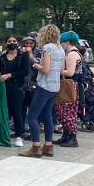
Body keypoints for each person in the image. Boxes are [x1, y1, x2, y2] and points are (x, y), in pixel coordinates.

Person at [21, 24, 64, 158]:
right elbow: (61, 69)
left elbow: (45, 69)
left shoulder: (47, 48)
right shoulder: (60, 49)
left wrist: (35, 64)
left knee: (32, 116)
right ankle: (48, 146)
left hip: (44, 85)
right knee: (47, 116)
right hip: (55, 86)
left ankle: (36, 147)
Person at [0, 35, 31, 148]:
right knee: (5, 112)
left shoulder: (23, 56)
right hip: (4, 88)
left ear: (18, 42)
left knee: (17, 112)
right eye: (9, 41)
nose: (12, 42)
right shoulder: (2, 56)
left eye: (14, 41)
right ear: (6, 43)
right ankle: (5, 134)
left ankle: (19, 136)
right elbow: (0, 70)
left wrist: (10, 75)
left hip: (17, 87)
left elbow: (25, 71)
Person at [55, 31, 83, 148]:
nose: (61, 44)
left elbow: (70, 72)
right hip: (70, 85)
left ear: (67, 42)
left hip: (70, 85)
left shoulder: (72, 54)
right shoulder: (72, 53)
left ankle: (72, 137)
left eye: (62, 42)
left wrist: (56, 70)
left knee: (68, 112)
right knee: (63, 111)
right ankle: (66, 135)